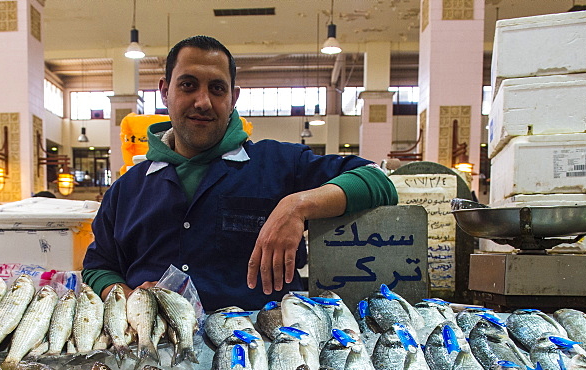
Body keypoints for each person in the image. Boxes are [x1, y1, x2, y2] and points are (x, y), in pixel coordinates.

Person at [82, 35, 396, 312]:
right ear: (165, 92)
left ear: (233, 98)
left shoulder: (278, 164)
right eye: (188, 85)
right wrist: (127, 297)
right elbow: (99, 266)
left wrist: (298, 206)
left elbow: (377, 180)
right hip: (155, 358)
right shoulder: (128, 188)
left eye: (217, 88)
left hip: (263, 356)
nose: (203, 101)